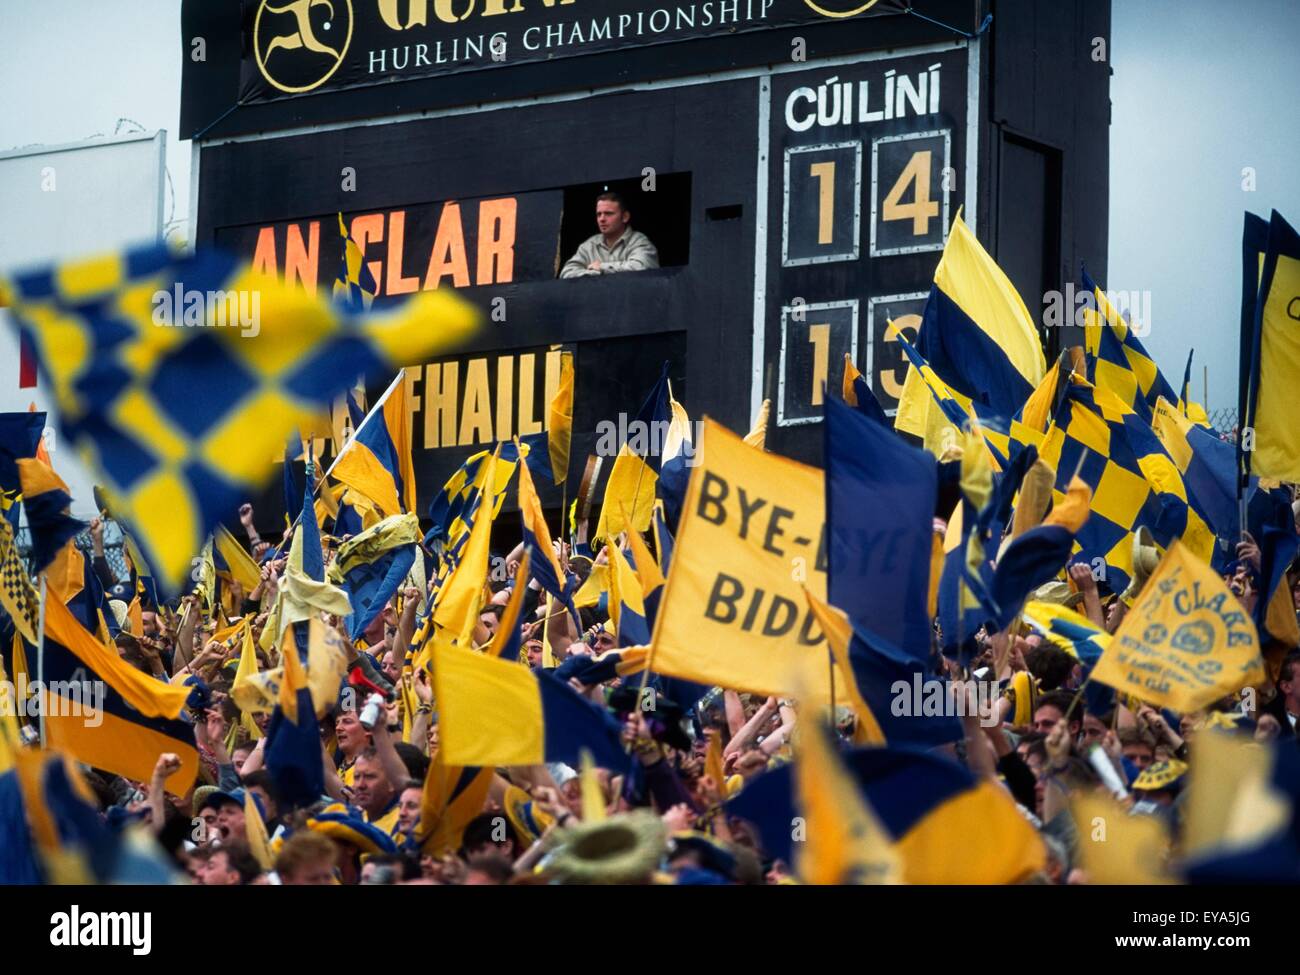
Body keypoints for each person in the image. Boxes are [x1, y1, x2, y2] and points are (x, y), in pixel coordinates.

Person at [559, 192, 659, 278]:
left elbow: (642, 268)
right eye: (599, 214)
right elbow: (566, 273)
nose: (602, 219)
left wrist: (602, 267)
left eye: (608, 213)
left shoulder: (640, 242)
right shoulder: (588, 246)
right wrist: (596, 273)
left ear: (625, 217)